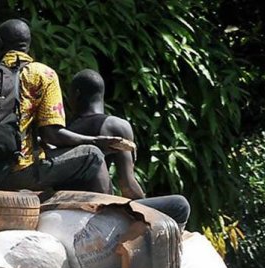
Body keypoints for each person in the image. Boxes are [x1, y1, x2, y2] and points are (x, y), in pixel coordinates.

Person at [0, 19, 131, 192]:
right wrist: (96, 141)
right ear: (27, 45)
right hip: (16, 173)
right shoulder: (42, 74)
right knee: (92, 154)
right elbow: (52, 135)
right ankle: (105, 213)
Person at [67, 69, 192, 227]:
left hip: (70, 204)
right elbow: (128, 186)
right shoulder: (115, 126)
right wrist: (145, 208)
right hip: (100, 207)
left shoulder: (64, 131)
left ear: (77, 94)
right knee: (180, 205)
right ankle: (171, 247)